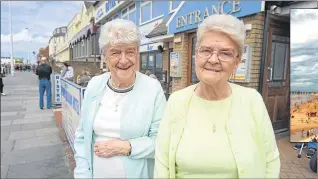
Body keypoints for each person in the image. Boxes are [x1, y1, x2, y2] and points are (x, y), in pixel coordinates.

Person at [155, 14, 280, 178]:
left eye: (225, 53)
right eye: (206, 50)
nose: (213, 59)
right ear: (196, 55)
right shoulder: (176, 101)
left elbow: (271, 159)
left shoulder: (252, 100)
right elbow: (162, 163)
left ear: (236, 62)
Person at [73, 19, 166, 179]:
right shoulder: (95, 85)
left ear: (137, 54)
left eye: (130, 51)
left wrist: (126, 147)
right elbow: (82, 136)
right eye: (115, 52)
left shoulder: (152, 88)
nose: (123, 60)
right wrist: (82, 174)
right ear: (105, 56)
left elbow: (163, 142)